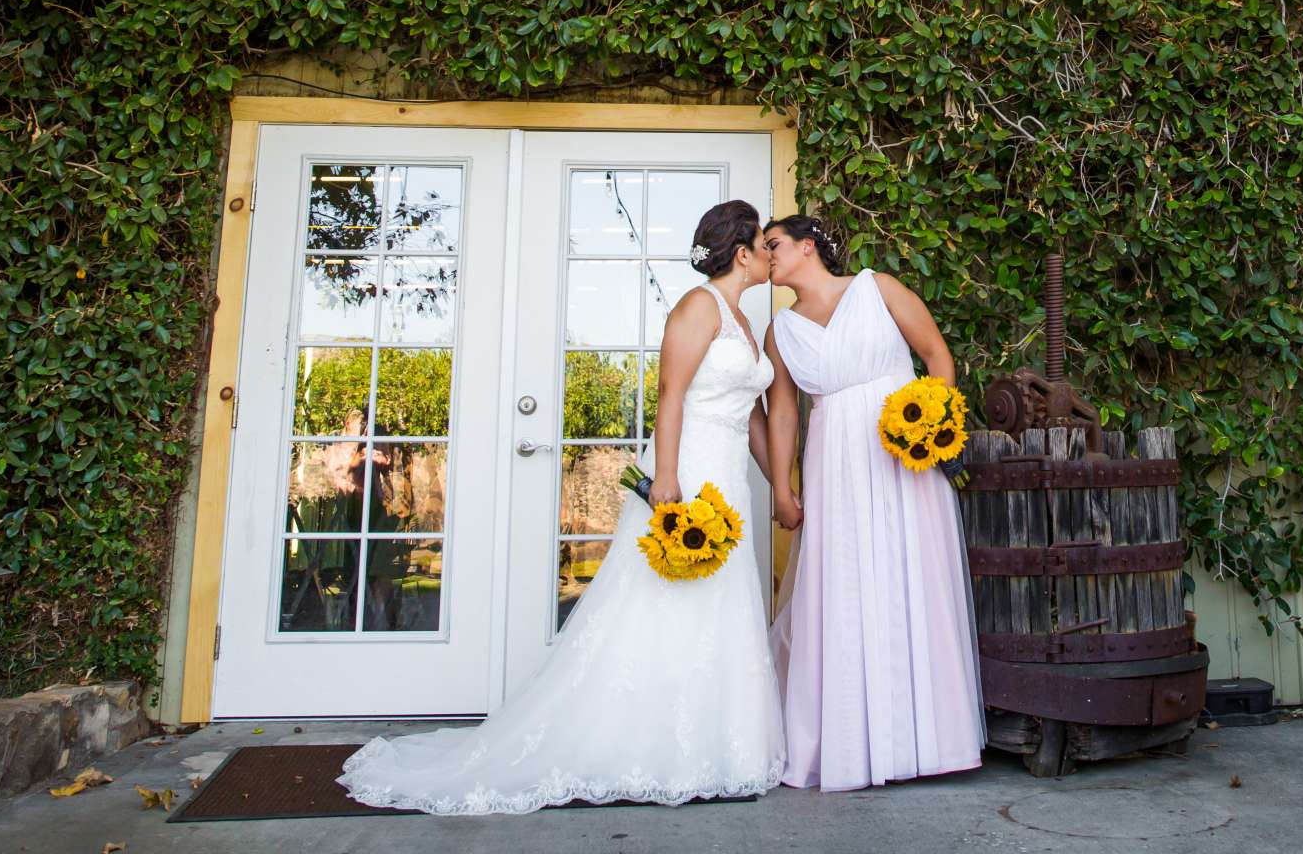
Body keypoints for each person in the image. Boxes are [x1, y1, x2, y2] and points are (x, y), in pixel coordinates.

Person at [338, 201, 790, 813]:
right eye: (765, 243)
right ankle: (639, 742)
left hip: (729, 476)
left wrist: (781, 487)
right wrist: (666, 475)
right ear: (742, 252)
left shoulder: (739, 315)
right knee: (659, 601)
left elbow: (754, 414)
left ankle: (713, 743)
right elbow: (670, 391)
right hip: (688, 470)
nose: (770, 252)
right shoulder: (698, 306)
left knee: (716, 601)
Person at [762, 214, 984, 791]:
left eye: (775, 245)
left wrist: (935, 423)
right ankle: (850, 742)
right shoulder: (780, 331)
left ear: (808, 247)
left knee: (913, 580)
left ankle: (930, 740)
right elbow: (785, 411)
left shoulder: (877, 288)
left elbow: (936, 354)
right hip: (833, 463)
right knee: (844, 587)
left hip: (902, 456)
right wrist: (782, 487)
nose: (767, 256)